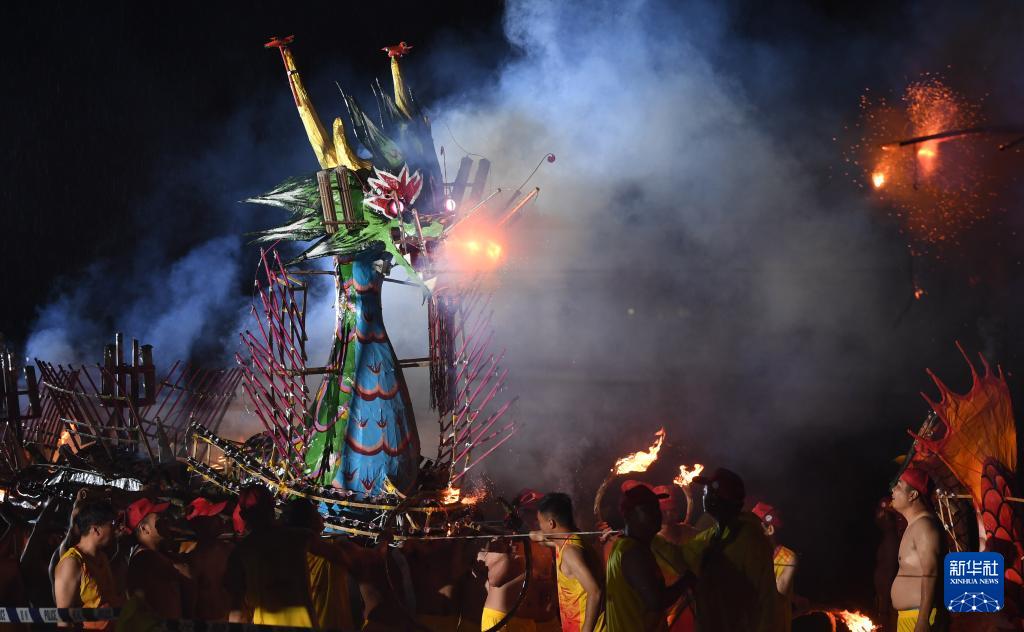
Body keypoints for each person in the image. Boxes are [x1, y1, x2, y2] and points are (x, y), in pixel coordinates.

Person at [680, 468, 779, 632]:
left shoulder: (750, 539)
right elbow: (680, 557)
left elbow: (764, 598)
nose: (704, 497)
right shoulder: (712, 535)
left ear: (718, 498)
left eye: (706, 492)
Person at [606, 483, 690, 631]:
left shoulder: (633, 546)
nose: (657, 514)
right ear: (629, 515)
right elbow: (657, 601)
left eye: (656, 508)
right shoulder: (633, 552)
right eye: (647, 509)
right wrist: (688, 579)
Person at [530, 492, 605, 632]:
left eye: (540, 522)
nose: (539, 525)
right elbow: (540, 538)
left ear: (551, 523)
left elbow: (595, 592)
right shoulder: (567, 541)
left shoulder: (571, 551)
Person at [280, 498, 357, 631]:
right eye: (316, 513)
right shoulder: (334, 550)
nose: (321, 516)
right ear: (310, 521)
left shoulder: (283, 554)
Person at [889, 467, 945, 632]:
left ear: (912, 495)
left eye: (899, 485)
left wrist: (923, 620)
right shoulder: (914, 525)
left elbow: (931, 571)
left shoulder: (924, 525)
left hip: (918, 618)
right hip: (909, 617)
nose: (892, 489)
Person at [53, 499, 122, 629]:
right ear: (96, 529)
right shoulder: (71, 564)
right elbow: (63, 621)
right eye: (112, 523)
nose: (117, 529)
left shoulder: (102, 557)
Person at [125, 497, 195, 620]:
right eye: (159, 519)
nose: (165, 522)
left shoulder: (159, 555)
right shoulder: (145, 559)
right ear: (144, 529)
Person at [183, 497, 233, 622]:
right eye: (214, 516)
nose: (219, 520)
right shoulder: (193, 558)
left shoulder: (227, 550)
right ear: (203, 523)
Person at [751, 502, 797, 632]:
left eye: (754, 527)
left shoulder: (787, 557)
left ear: (770, 529)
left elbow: (776, 600)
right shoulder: (753, 555)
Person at [873, 497, 905, 631]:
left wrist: (883, 608)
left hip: (889, 605)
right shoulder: (887, 538)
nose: (878, 517)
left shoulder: (892, 540)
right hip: (885, 601)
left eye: (882, 514)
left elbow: (890, 572)